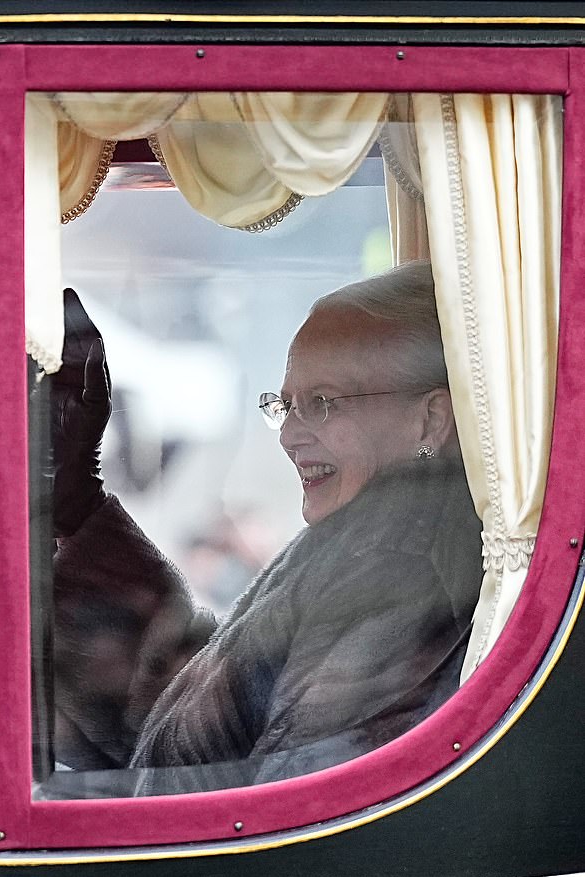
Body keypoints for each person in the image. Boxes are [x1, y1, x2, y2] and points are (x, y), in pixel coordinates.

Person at [48, 262, 482, 791]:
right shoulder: (373, 534)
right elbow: (208, 714)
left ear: (431, 420)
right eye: (286, 405)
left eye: (321, 403)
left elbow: (296, 811)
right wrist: (76, 498)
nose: (289, 435)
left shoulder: (401, 563)